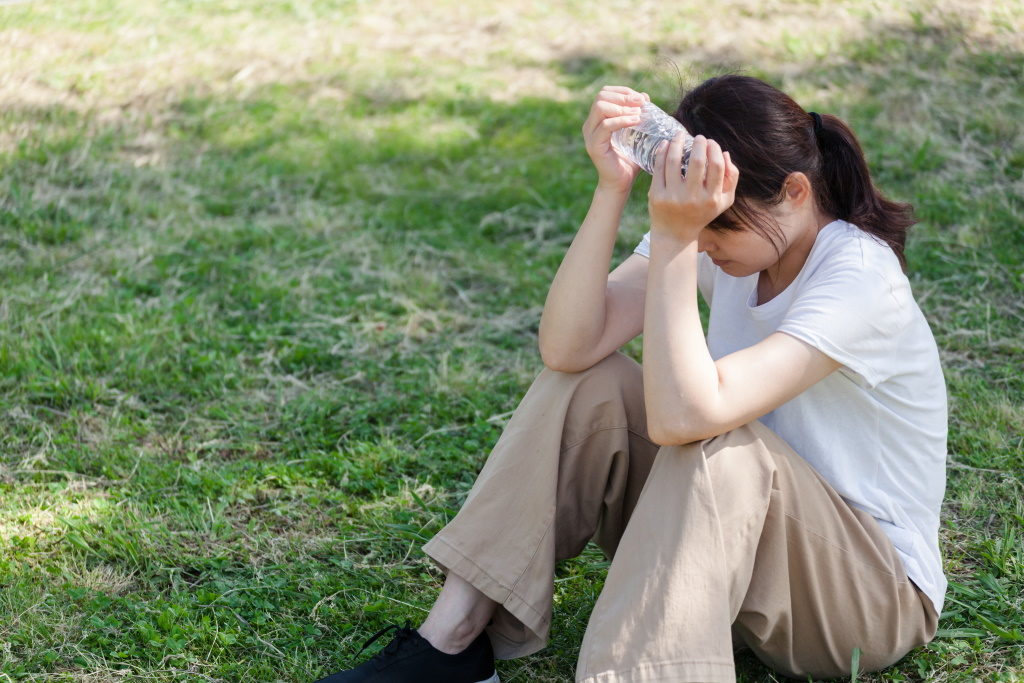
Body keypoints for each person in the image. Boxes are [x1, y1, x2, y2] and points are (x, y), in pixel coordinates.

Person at [315, 74, 947, 683]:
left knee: (722, 447)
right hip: (742, 563)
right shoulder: (716, 236)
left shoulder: (859, 276)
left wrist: (677, 236)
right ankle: (449, 645)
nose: (703, 243)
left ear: (796, 192)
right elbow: (569, 347)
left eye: (717, 225)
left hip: (867, 597)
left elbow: (685, 418)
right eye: (694, 224)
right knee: (587, 387)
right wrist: (612, 190)